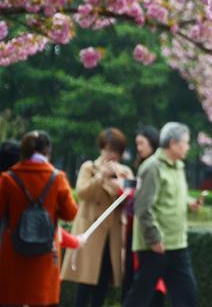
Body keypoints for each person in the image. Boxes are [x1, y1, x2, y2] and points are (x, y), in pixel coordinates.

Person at [123, 122, 204, 307]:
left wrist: (189, 202)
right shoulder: (152, 167)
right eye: (186, 142)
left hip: (177, 244)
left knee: (187, 297)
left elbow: (172, 195)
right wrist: (153, 238)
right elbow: (142, 207)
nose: (188, 147)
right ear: (174, 143)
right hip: (155, 246)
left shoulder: (179, 166)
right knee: (140, 297)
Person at [0, 131, 79, 307]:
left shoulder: (8, 179)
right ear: (47, 151)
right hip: (46, 251)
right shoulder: (57, 178)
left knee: (12, 296)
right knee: (43, 297)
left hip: (14, 249)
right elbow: (70, 214)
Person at [62, 127, 135, 307]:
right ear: (101, 148)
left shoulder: (125, 172)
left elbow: (130, 198)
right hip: (90, 231)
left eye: (116, 151)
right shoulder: (89, 167)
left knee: (103, 280)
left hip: (111, 234)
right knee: (85, 282)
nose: (111, 155)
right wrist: (101, 176)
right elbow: (82, 193)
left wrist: (117, 178)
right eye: (108, 150)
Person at [123, 126, 164, 305]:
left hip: (147, 230)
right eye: (137, 143)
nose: (138, 147)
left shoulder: (154, 166)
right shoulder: (145, 165)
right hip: (137, 227)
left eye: (141, 143)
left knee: (145, 281)